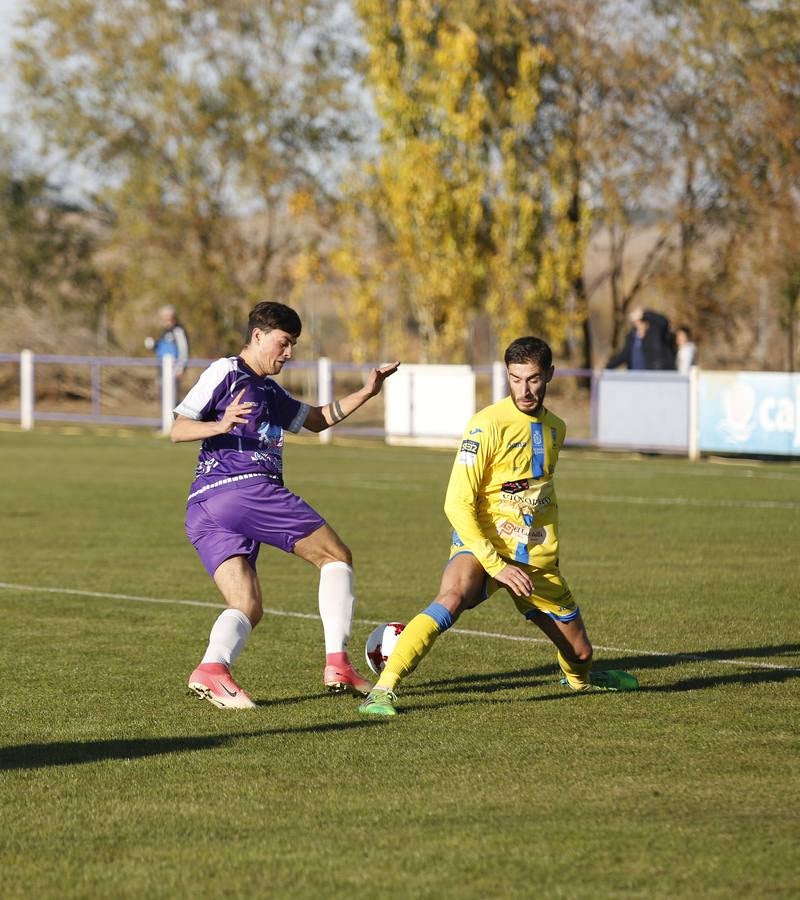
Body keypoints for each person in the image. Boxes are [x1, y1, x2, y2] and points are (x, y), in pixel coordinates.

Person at [359, 336, 637, 718]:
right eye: (516, 379)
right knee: (452, 597)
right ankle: (382, 690)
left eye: (533, 379)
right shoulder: (485, 425)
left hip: (535, 557)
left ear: (550, 375)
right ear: (507, 375)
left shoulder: (556, 429)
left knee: (581, 654)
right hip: (483, 543)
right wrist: (495, 564)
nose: (524, 389)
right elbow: (456, 502)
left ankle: (580, 680)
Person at [171, 300, 399, 709]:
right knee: (335, 556)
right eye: (284, 342)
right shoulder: (227, 371)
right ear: (258, 335)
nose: (289, 352)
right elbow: (178, 428)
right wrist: (220, 425)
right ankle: (338, 664)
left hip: (206, 507)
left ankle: (212, 670)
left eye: (293, 343)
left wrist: (367, 392)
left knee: (247, 605)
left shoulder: (269, 390)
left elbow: (317, 419)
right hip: (243, 489)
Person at [606, 307, 675, 371]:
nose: (639, 324)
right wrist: (607, 367)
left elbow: (664, 321)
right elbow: (624, 355)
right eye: (636, 322)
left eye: (640, 321)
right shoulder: (632, 337)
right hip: (635, 375)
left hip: (653, 373)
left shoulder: (655, 334)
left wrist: (644, 313)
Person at [146, 305, 191, 398]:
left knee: (172, 396)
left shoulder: (178, 330)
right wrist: (154, 345)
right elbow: (163, 348)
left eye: (168, 319)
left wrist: (180, 368)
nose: (166, 321)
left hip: (174, 368)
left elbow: (183, 349)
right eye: (164, 319)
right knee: (163, 394)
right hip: (162, 367)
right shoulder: (164, 331)